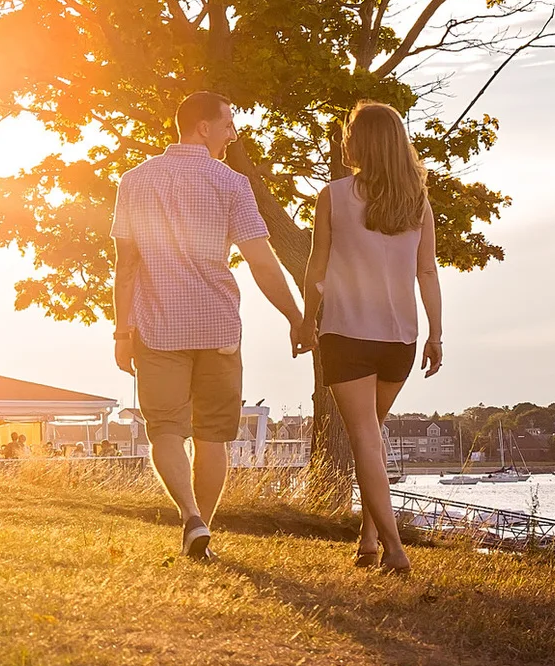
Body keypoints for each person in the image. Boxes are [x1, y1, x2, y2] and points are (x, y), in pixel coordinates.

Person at [111, 91, 310, 562]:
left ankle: (192, 520)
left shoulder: (135, 181)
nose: (232, 134)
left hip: (157, 328)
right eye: (227, 124)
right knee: (213, 436)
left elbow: (126, 265)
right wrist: (296, 317)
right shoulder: (232, 184)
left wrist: (122, 331)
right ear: (203, 126)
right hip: (218, 328)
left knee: (164, 430)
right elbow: (261, 260)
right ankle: (201, 532)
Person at [300, 101, 444, 574]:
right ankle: (367, 540)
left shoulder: (334, 195)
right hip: (400, 339)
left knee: (365, 440)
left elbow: (317, 264)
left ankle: (396, 550)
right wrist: (436, 333)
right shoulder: (417, 201)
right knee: (372, 441)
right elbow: (427, 272)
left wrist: (306, 318)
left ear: (358, 142)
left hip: (347, 331)